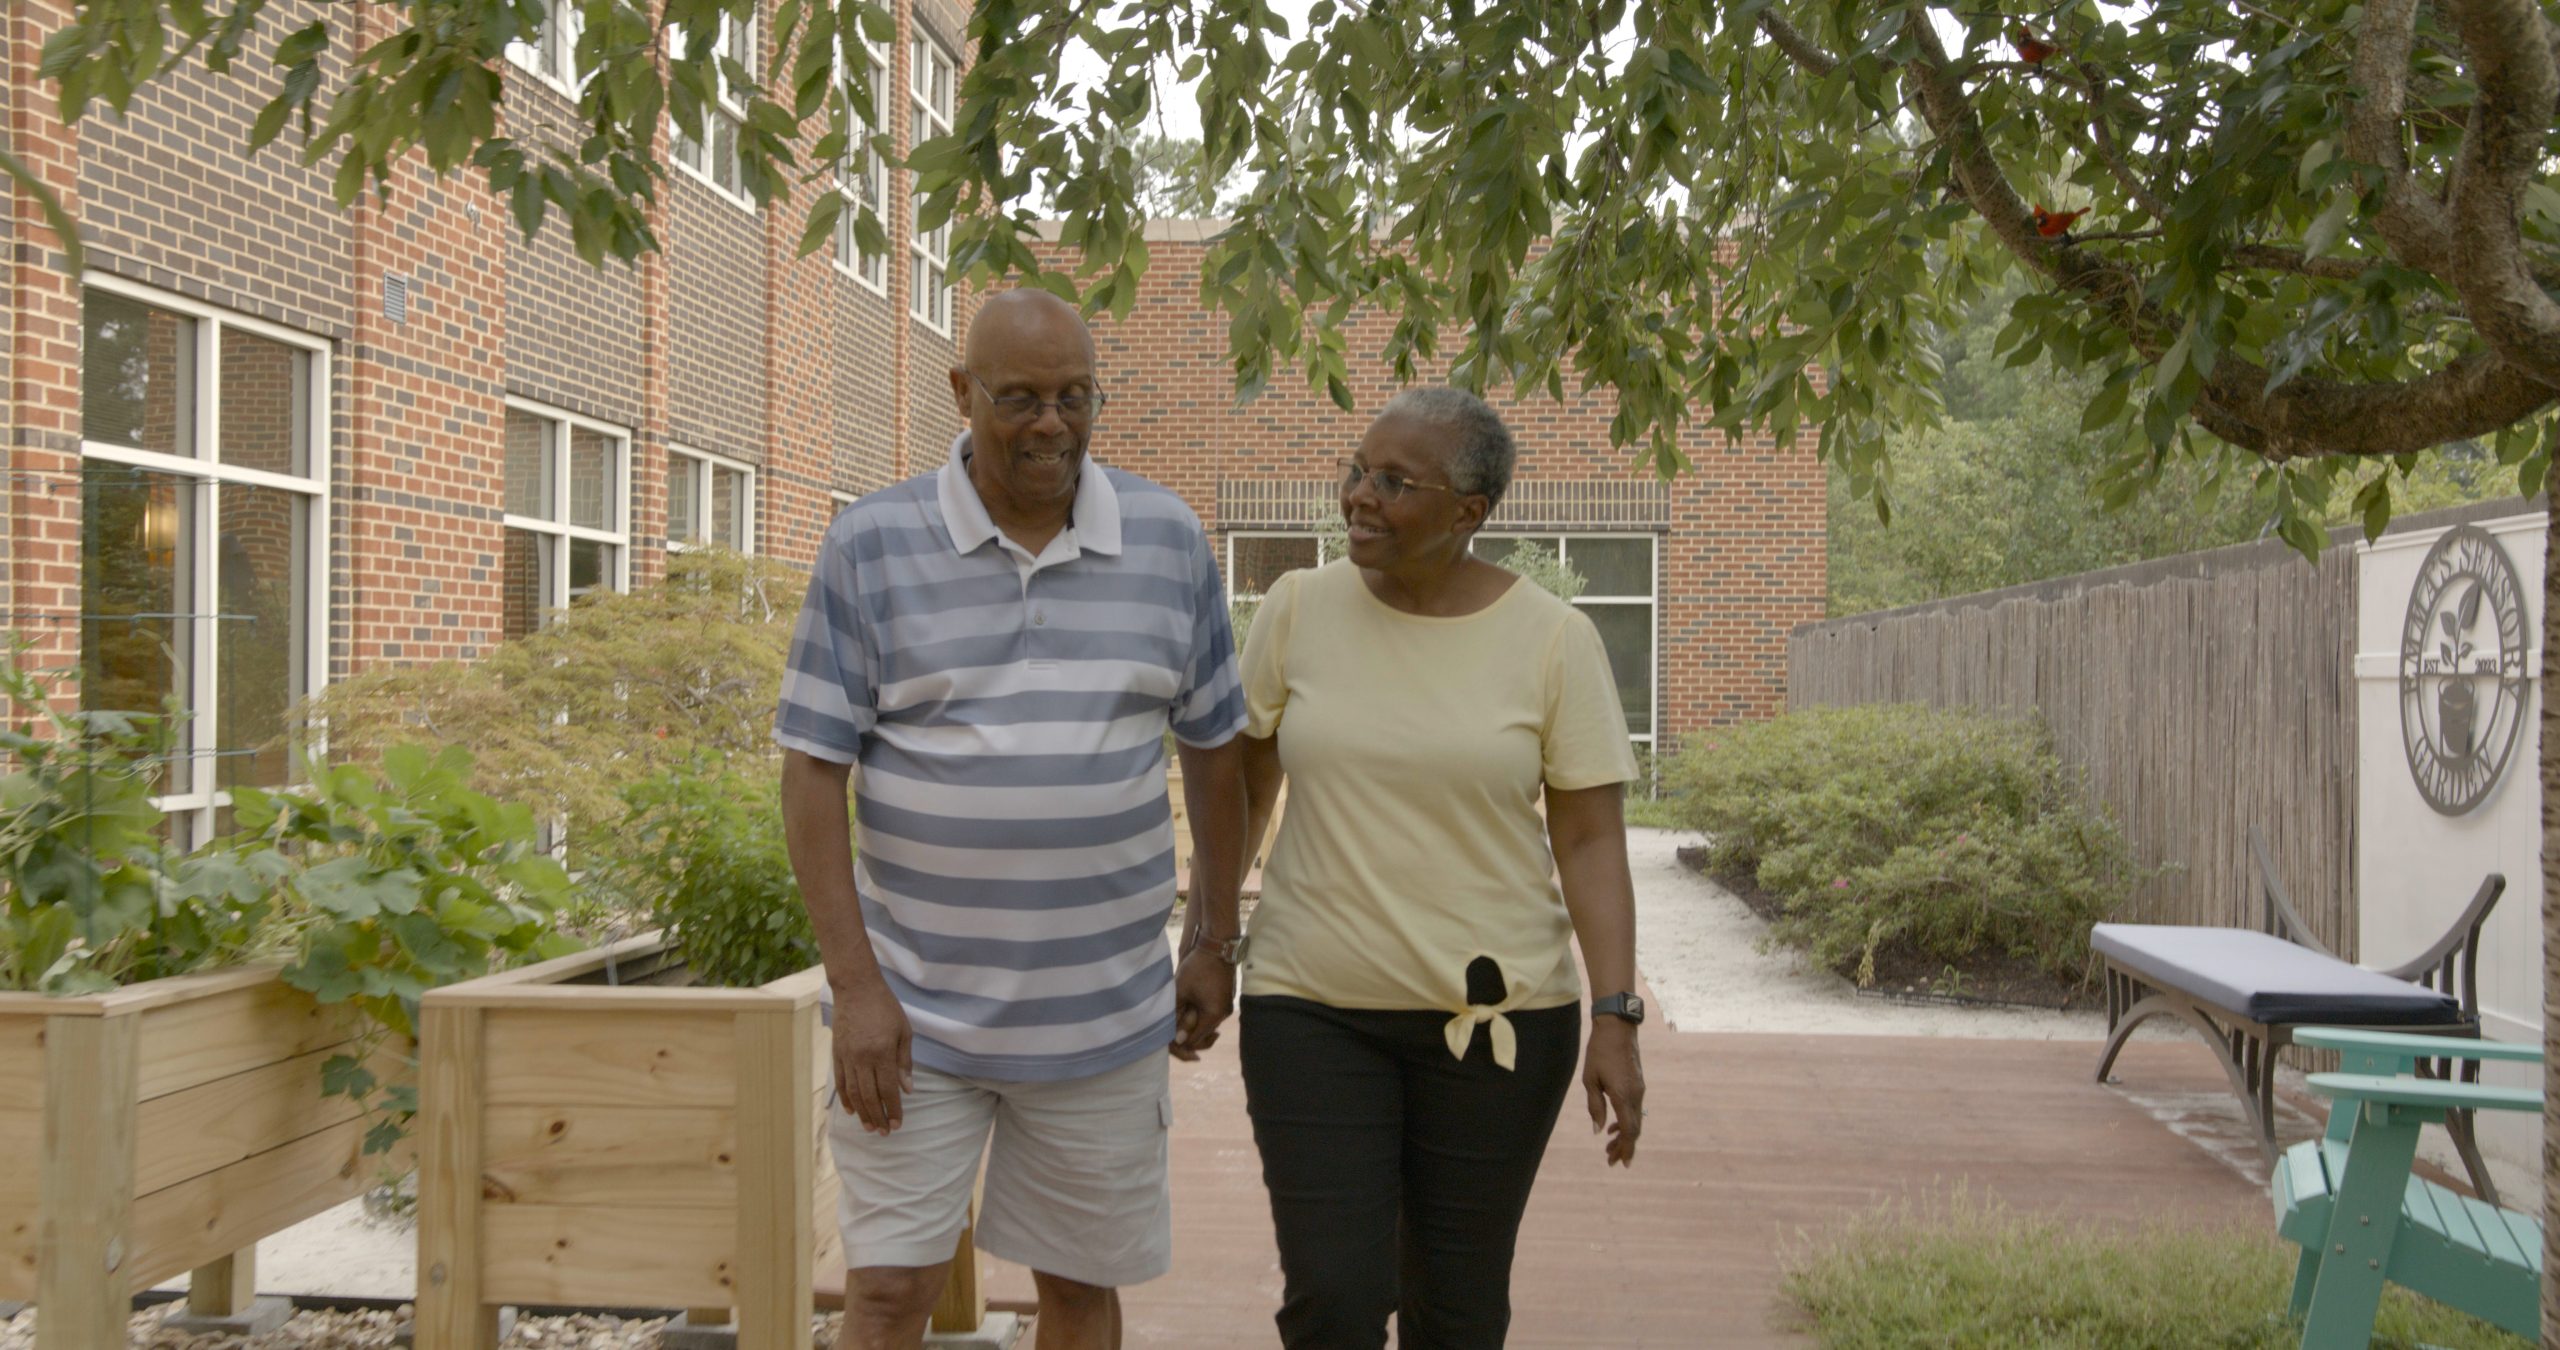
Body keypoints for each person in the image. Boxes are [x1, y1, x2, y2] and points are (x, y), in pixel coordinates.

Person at [774, 288, 1249, 1350]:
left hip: (1104, 1021)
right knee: (888, 1296)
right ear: (961, 393)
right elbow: (812, 773)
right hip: (914, 1021)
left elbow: (1215, 753)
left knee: (1077, 1296)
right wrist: (854, 987)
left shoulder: (1167, 540)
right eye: (1021, 398)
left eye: (1075, 397)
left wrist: (1214, 941)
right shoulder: (870, 544)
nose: (1051, 424)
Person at [1230, 386, 1646, 1350]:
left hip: (1497, 1026)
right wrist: (1208, 937)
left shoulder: (1553, 639)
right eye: (1356, 471)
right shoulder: (1295, 611)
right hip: (1312, 1006)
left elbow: (1589, 841)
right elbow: (1242, 791)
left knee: (1456, 1312)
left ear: (1471, 511)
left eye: (1393, 482)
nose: (1359, 497)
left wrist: (1617, 1015)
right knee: (1332, 1297)